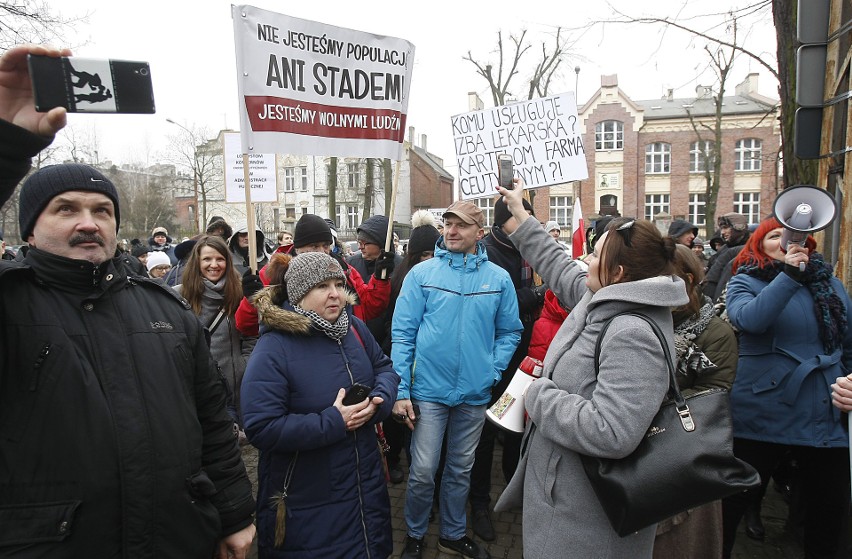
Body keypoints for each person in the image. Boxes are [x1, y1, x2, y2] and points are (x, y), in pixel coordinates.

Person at [0, 162, 255, 557]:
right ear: (30, 227)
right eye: (66, 209)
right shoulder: (11, 305)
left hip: (177, 537)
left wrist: (235, 513)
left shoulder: (166, 309)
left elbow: (212, 420)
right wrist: (10, 147)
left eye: (102, 210)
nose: (88, 223)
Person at [494, 178, 687, 558]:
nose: (586, 261)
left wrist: (538, 393)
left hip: (588, 517)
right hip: (566, 496)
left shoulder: (633, 332)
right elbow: (560, 267)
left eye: (595, 255)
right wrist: (522, 215)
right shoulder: (603, 297)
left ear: (618, 272)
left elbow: (612, 431)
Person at [241, 252, 399, 558]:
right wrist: (333, 422)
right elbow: (261, 427)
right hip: (308, 499)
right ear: (299, 295)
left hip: (364, 487)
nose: (335, 294)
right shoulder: (274, 348)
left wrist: (379, 400)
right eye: (321, 286)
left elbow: (385, 368)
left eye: (338, 283)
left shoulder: (353, 328)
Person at [392, 200, 523, 559]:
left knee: (460, 471)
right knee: (421, 472)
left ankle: (451, 534)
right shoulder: (422, 275)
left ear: (478, 233)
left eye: (460, 225)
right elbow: (402, 336)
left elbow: (510, 331)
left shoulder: (498, 279)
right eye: (447, 224)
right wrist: (401, 390)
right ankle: (415, 534)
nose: (451, 230)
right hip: (427, 394)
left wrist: (491, 370)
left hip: (474, 394)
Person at [720, 216, 852, 559]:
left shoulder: (831, 286)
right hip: (763, 411)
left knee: (829, 512)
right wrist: (790, 276)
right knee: (730, 506)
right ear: (757, 246)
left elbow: (848, 345)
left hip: (826, 411)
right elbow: (749, 319)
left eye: (793, 235)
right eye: (774, 235)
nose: (785, 240)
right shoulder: (745, 281)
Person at [653, 245, 738, 559]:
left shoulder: (715, 333)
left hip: (684, 454)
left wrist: (653, 404)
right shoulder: (646, 319)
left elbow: (714, 391)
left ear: (687, 280)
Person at [469, 196, 545, 541]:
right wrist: (537, 294)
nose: (529, 223)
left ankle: (514, 490)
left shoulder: (528, 249)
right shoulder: (483, 252)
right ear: (505, 222)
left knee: (516, 426)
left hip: (523, 357)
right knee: (485, 433)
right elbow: (497, 300)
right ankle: (479, 502)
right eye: (522, 216)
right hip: (491, 357)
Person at [235, 214, 392, 337]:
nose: (322, 252)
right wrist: (252, 300)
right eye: (314, 246)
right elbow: (247, 326)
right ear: (298, 248)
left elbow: (368, 307)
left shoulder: (344, 269)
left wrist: (380, 279)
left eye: (325, 245)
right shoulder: (273, 274)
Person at [380, 210, 441, 485]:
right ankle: (393, 459)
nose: (427, 260)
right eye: (422, 254)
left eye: (432, 253)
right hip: (405, 357)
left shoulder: (444, 278)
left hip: (429, 361)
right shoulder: (403, 280)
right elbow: (396, 326)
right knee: (400, 418)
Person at [173, 235, 256, 429]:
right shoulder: (179, 295)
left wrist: (244, 363)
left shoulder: (239, 293)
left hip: (236, 384)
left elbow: (251, 334)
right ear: (197, 262)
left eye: (220, 259)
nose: (214, 264)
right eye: (207, 259)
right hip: (200, 386)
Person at [348, 214, 402, 340]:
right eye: (359, 242)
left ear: (381, 243)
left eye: (365, 243)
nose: (360, 247)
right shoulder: (351, 264)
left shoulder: (400, 267)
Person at [703, 212, 750, 301]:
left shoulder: (748, 250)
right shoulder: (724, 250)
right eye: (721, 229)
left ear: (738, 227)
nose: (722, 232)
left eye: (726, 228)